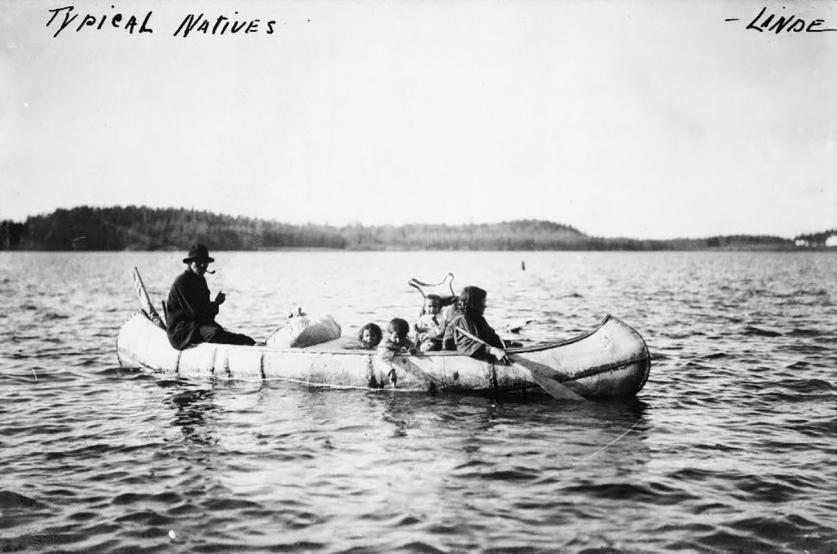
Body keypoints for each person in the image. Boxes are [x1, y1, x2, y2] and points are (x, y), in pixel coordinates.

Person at [165, 244, 256, 350]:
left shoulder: (200, 280)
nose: (203, 265)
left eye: (205, 262)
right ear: (190, 263)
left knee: (220, 333)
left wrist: (215, 304)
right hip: (181, 332)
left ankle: (248, 342)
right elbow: (196, 313)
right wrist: (215, 304)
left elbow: (205, 315)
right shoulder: (182, 282)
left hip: (196, 326)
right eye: (199, 262)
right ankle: (246, 342)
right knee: (216, 333)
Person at [443, 285, 508, 362]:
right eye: (483, 302)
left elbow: (491, 337)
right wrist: (491, 350)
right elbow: (465, 345)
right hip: (455, 358)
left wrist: (505, 344)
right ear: (474, 303)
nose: (485, 306)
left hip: (480, 349)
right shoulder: (461, 320)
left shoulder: (478, 318)